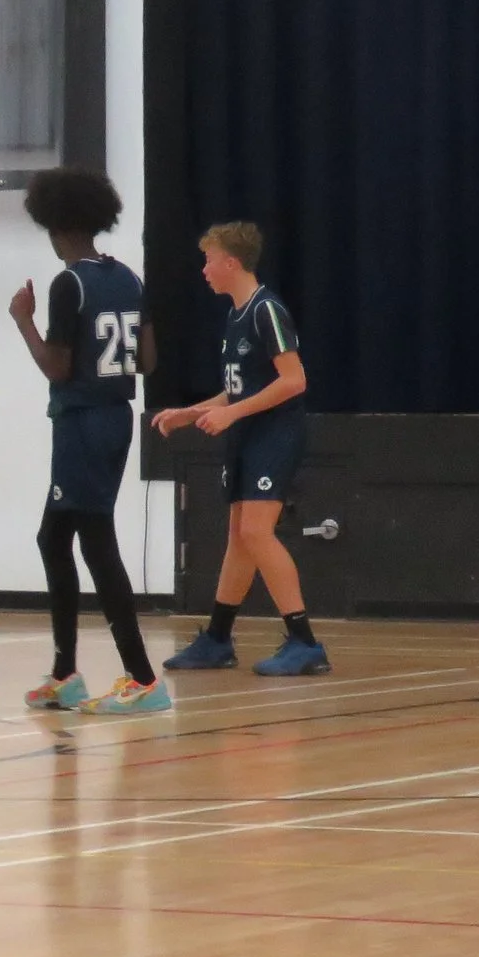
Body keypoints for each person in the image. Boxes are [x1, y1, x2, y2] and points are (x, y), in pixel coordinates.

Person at [9, 168, 172, 714]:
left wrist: (24, 322)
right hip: (116, 418)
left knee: (97, 544)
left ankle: (143, 679)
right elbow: (148, 360)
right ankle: (65, 674)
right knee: (53, 538)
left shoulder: (69, 284)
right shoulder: (127, 278)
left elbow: (57, 367)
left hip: (81, 422)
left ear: (55, 225)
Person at [153, 219, 329, 677]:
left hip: (275, 432)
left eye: (209, 260)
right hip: (247, 433)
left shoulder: (266, 310)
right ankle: (217, 639)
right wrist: (190, 412)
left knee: (256, 532)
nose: (204, 270)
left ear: (231, 263)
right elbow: (238, 389)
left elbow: (294, 381)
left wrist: (232, 414)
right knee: (239, 535)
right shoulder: (234, 315)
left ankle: (305, 641)